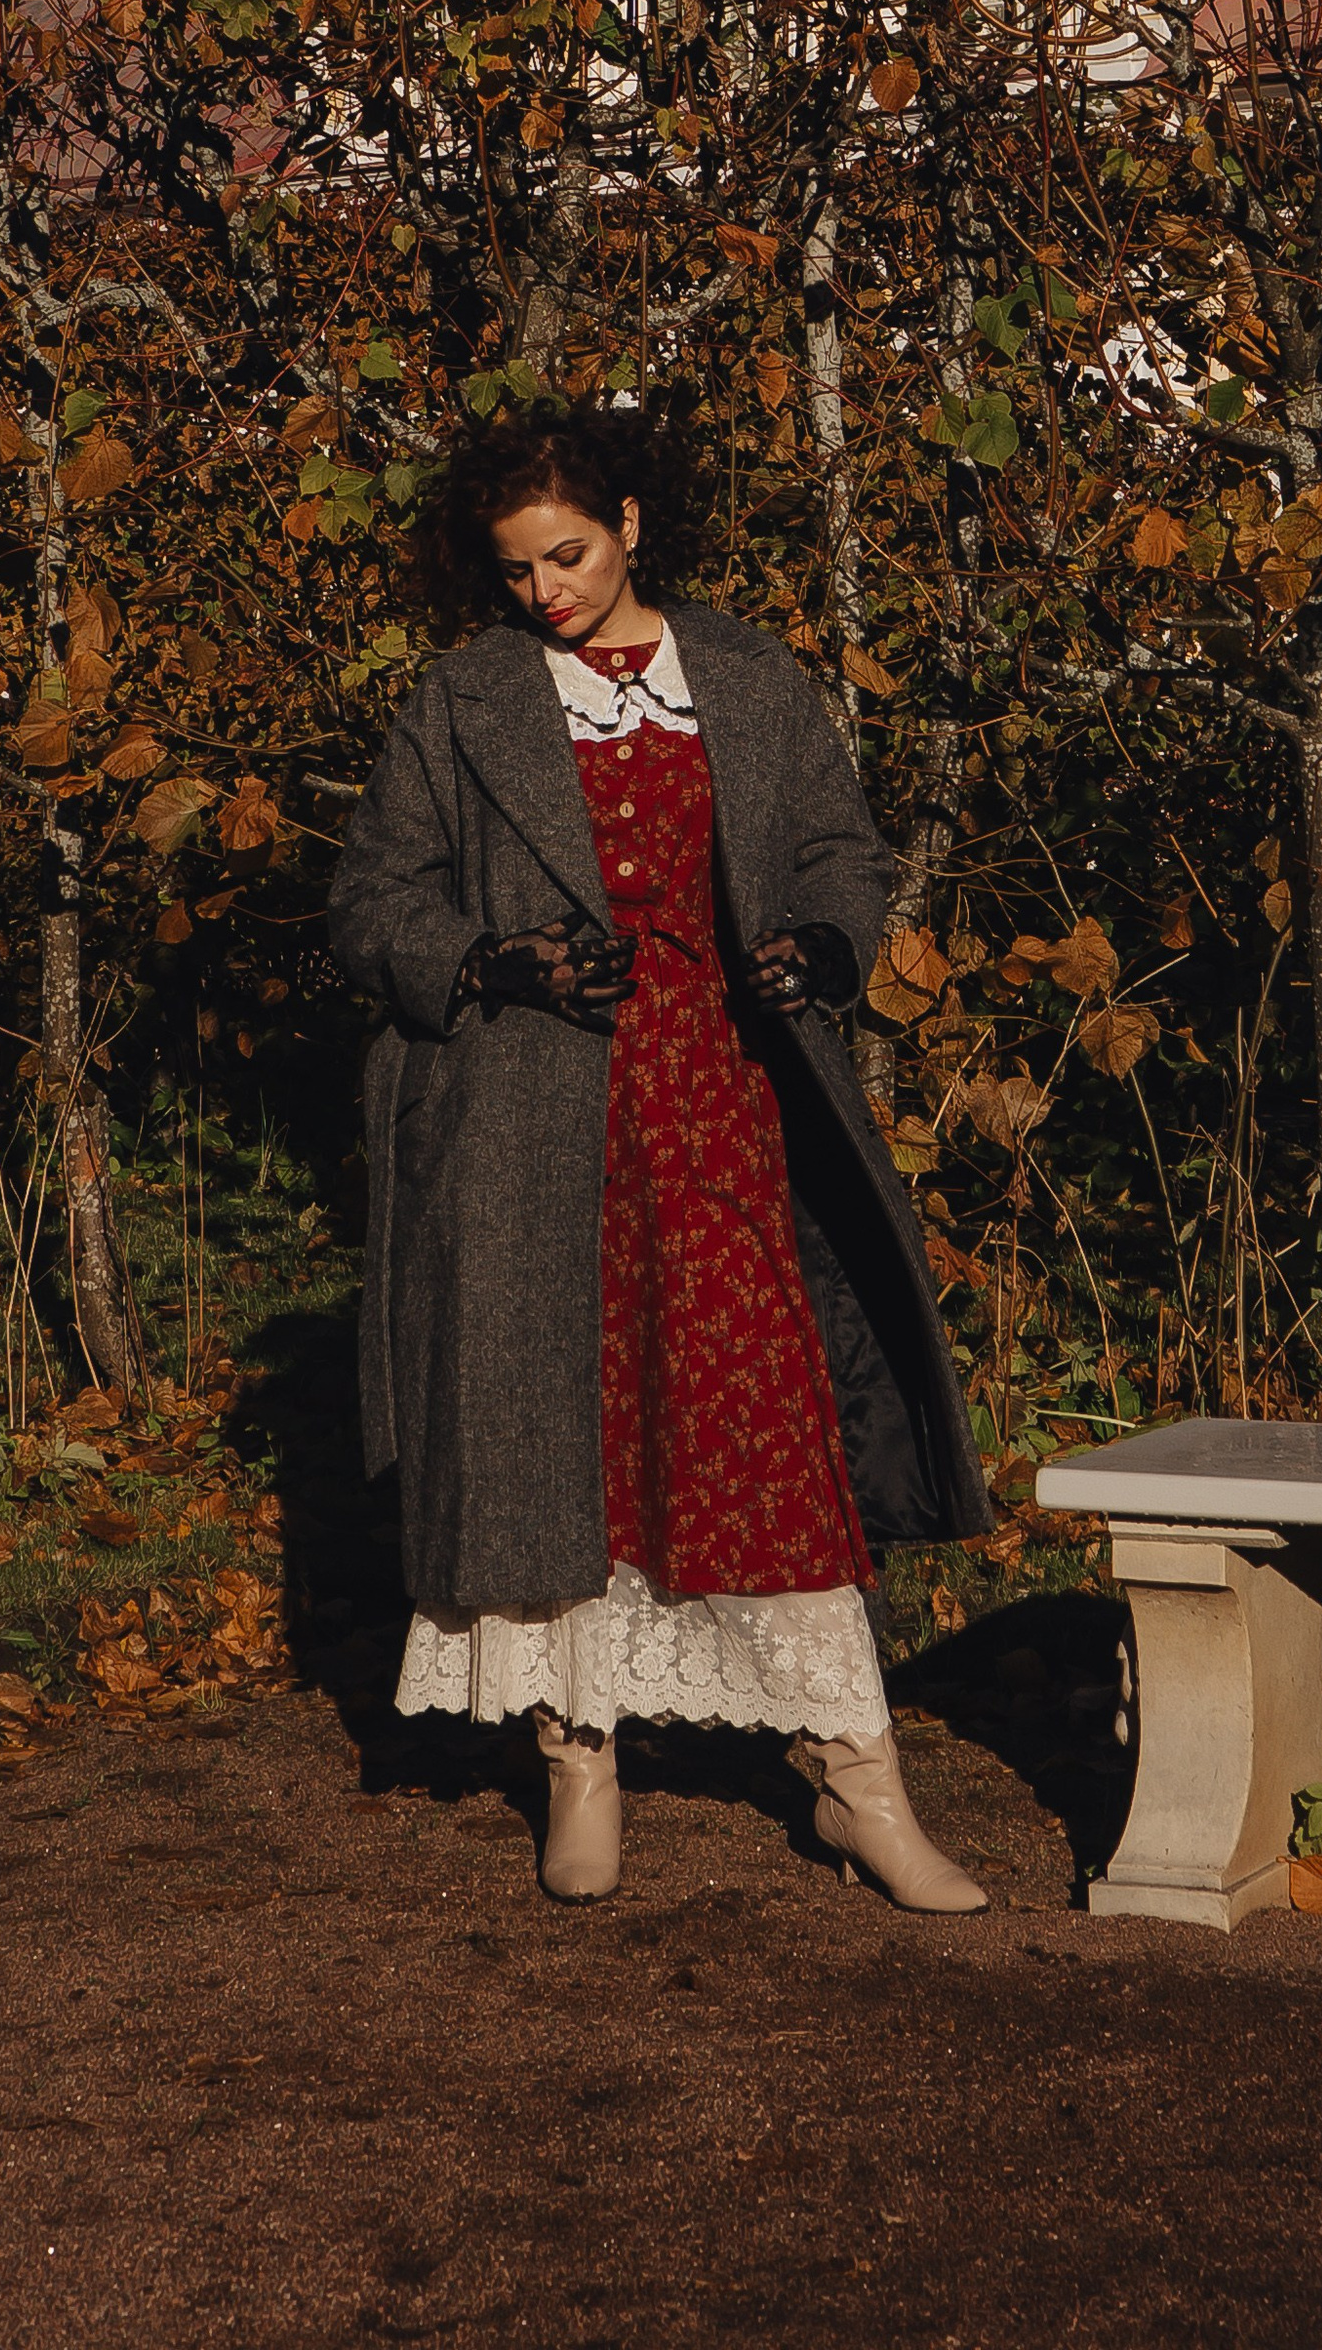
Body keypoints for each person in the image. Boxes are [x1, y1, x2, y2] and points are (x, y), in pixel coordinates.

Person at [329, 402, 993, 1911]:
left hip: (721, 1105)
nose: (544, 591)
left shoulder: (750, 678)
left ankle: (854, 1777)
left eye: (565, 555)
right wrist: (485, 962)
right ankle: (579, 1761)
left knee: (760, 1415)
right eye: (514, 571)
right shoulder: (466, 699)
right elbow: (370, 901)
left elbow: (840, 847)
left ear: (631, 520)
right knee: (553, 1435)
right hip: (521, 1128)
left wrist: (823, 940)